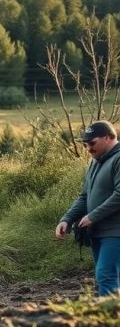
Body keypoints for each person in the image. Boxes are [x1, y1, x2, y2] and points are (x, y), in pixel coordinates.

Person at [55, 120, 120, 296]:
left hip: (115, 232)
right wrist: (66, 219)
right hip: (98, 232)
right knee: (103, 279)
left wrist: (92, 216)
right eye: (85, 145)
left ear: (108, 137)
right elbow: (84, 197)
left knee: (106, 275)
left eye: (92, 143)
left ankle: (110, 321)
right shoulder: (94, 162)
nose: (88, 149)